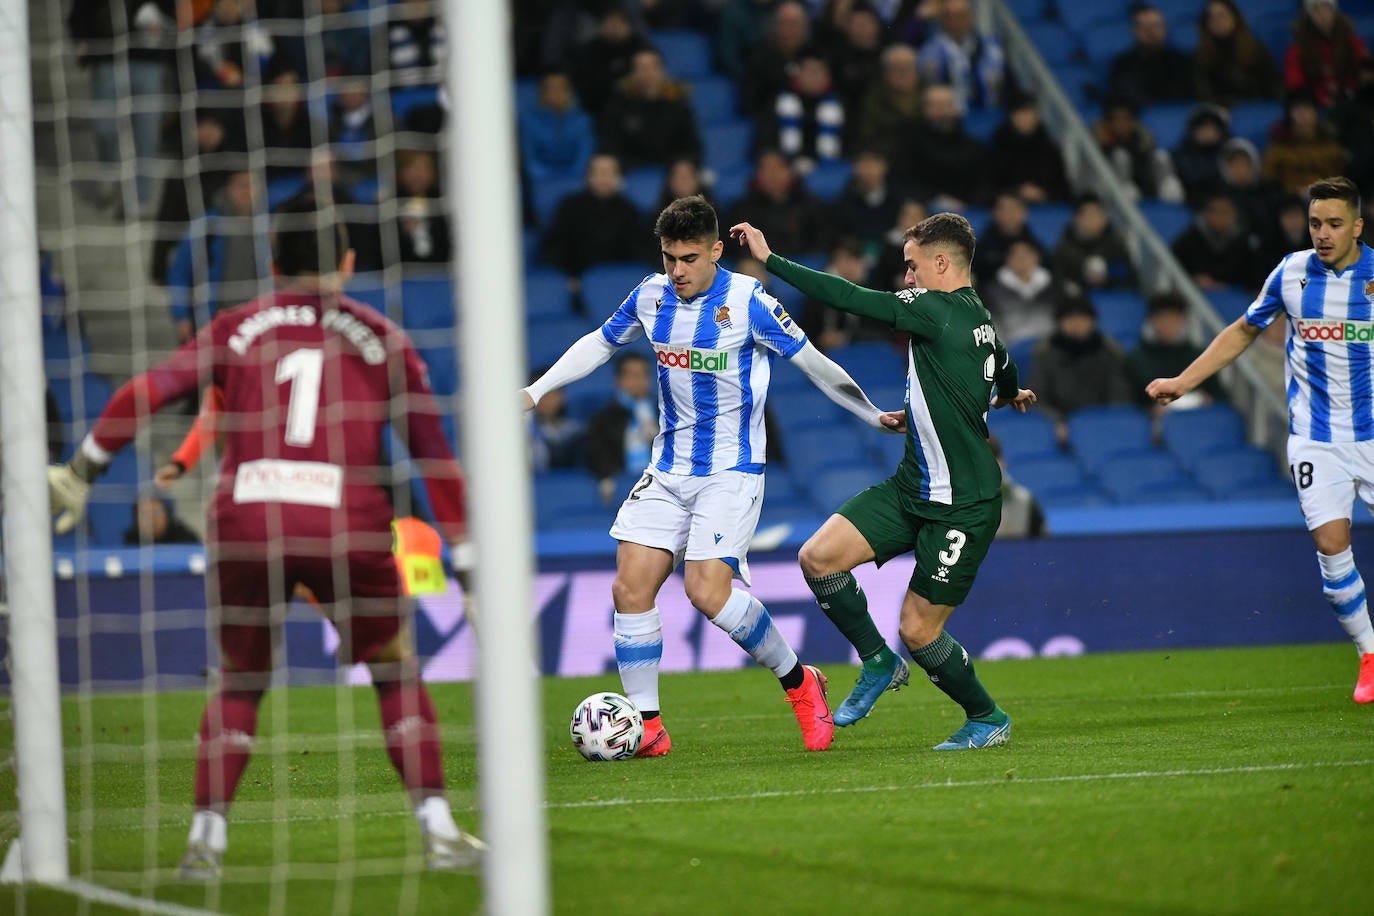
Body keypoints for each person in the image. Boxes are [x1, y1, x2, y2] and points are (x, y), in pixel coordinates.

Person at [46, 196, 485, 876]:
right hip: (342, 517)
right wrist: (468, 567)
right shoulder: (384, 338)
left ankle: (206, 838)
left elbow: (143, 392)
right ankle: (439, 828)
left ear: (277, 265)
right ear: (348, 260)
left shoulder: (236, 326)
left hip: (248, 518)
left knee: (241, 677)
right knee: (394, 665)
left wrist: (82, 471)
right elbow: (437, 462)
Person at [521, 195, 904, 756]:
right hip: (668, 466)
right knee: (630, 586)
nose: (677, 270)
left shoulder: (750, 302)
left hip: (731, 471)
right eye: (670, 257)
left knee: (706, 592)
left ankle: (800, 682)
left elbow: (814, 362)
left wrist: (873, 414)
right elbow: (598, 345)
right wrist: (535, 392)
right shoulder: (650, 297)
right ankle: (648, 726)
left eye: (689, 258)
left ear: (717, 251)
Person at [730, 212, 1038, 750]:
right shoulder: (980, 318)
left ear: (940, 263)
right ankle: (878, 661)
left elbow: (850, 297)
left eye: (912, 265)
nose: (907, 278)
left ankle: (987, 717)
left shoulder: (934, 308)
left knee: (920, 630)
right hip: (911, 487)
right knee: (817, 558)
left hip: (963, 506)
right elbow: (1004, 366)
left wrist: (770, 260)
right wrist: (1010, 394)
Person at [1146, 176, 1374, 704]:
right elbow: (1245, 329)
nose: (1322, 233)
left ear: (1357, 226)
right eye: (1316, 222)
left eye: (1335, 224)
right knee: (1329, 545)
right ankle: (1368, 653)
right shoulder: (1292, 273)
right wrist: (1184, 380)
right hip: (1316, 439)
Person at [1028, 295, 1134, 446]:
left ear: (1093, 322)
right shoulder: (1044, 356)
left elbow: (1119, 393)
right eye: (1070, 319)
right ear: (1060, 323)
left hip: (1104, 425)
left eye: (1082, 319)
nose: (1076, 324)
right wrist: (1057, 422)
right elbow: (1036, 398)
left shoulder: (1110, 353)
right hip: (1062, 428)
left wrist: (1109, 421)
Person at [1126, 290, 1225, 411]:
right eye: (1162, 318)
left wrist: (1208, 399)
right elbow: (1130, 403)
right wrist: (1150, 410)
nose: (1168, 324)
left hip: (1198, 419)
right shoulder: (1136, 360)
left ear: (1183, 320)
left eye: (1174, 318)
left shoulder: (1200, 356)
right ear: (1151, 321)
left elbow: (1220, 397)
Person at [585, 351, 658, 501]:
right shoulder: (603, 417)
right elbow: (596, 455)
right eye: (632, 375)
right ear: (619, 380)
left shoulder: (665, 412)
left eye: (643, 374)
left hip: (659, 482)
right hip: (620, 486)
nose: (638, 380)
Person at [917, 0, 1007, 111]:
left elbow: (1001, 81)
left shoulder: (991, 46)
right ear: (942, 20)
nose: (956, 21)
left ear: (971, 17)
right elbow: (930, 85)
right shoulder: (928, 50)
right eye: (950, 16)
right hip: (946, 112)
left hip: (986, 108)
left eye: (961, 15)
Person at [1191, 0, 1282, 106]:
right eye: (1210, 17)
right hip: (1220, 113)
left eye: (1222, 15)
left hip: (1256, 109)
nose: (1217, 21)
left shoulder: (1255, 48)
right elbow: (1203, 95)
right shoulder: (1201, 55)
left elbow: (1273, 86)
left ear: (1235, 17)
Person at [1107, 2, 1194, 108]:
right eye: (1144, 27)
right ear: (1134, 31)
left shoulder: (1182, 61)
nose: (1151, 32)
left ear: (1165, 29)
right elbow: (1127, 97)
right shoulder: (1123, 64)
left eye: (1156, 26)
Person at [1284, 0, 1369, 109]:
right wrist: (1320, 96)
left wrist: (1349, 89)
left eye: (1326, 8)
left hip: (1352, 96)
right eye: (1315, 10)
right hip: (1315, 101)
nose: (1322, 14)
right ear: (1308, 16)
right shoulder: (1297, 49)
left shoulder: (1353, 43)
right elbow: (1294, 82)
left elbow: (1365, 70)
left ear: (1334, 12)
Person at [123, 493, 201, 545]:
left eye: (157, 512)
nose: (152, 519)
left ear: (167, 515)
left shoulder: (185, 539)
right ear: (136, 518)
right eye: (145, 514)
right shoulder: (130, 542)